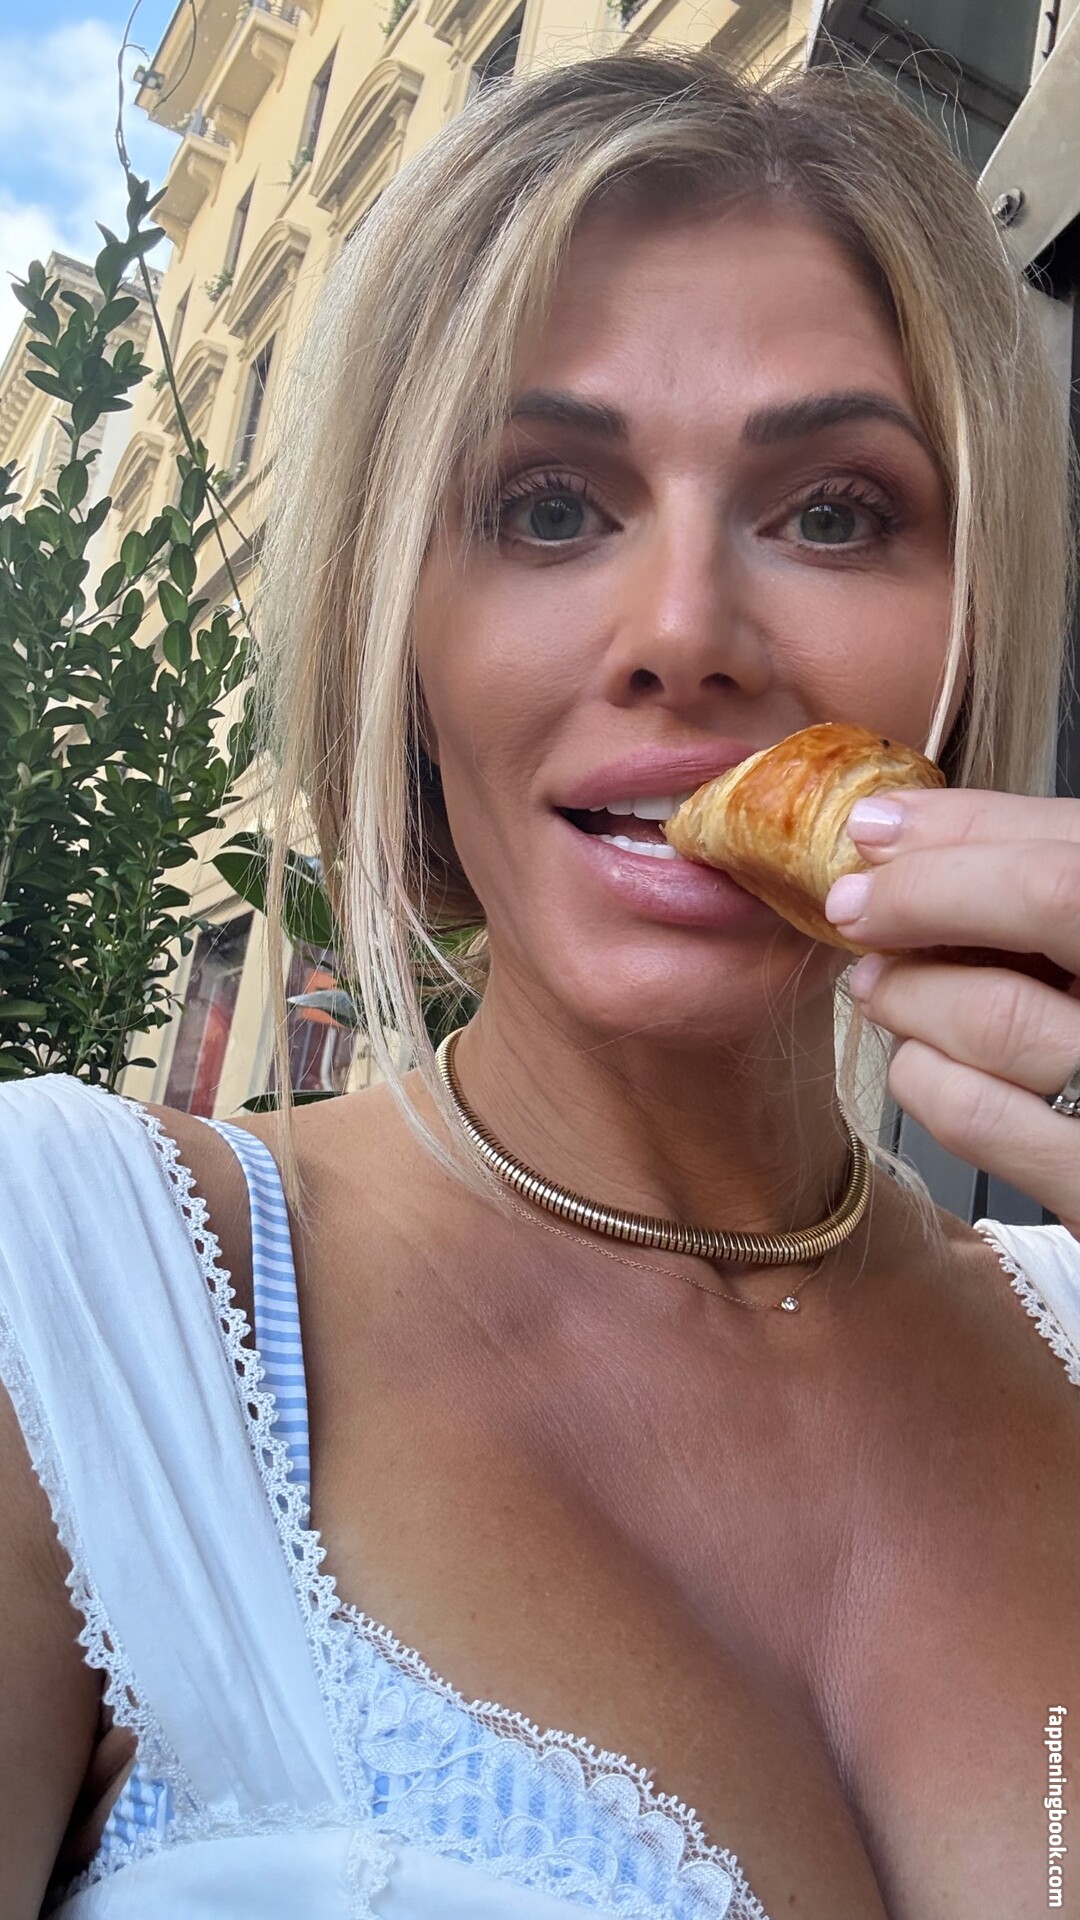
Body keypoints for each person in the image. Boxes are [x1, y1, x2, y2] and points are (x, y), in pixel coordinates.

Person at [2, 43, 1079, 1920]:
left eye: (836, 511)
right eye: (548, 506)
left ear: (975, 625)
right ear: (397, 632)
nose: (684, 635)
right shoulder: (70, 1293)